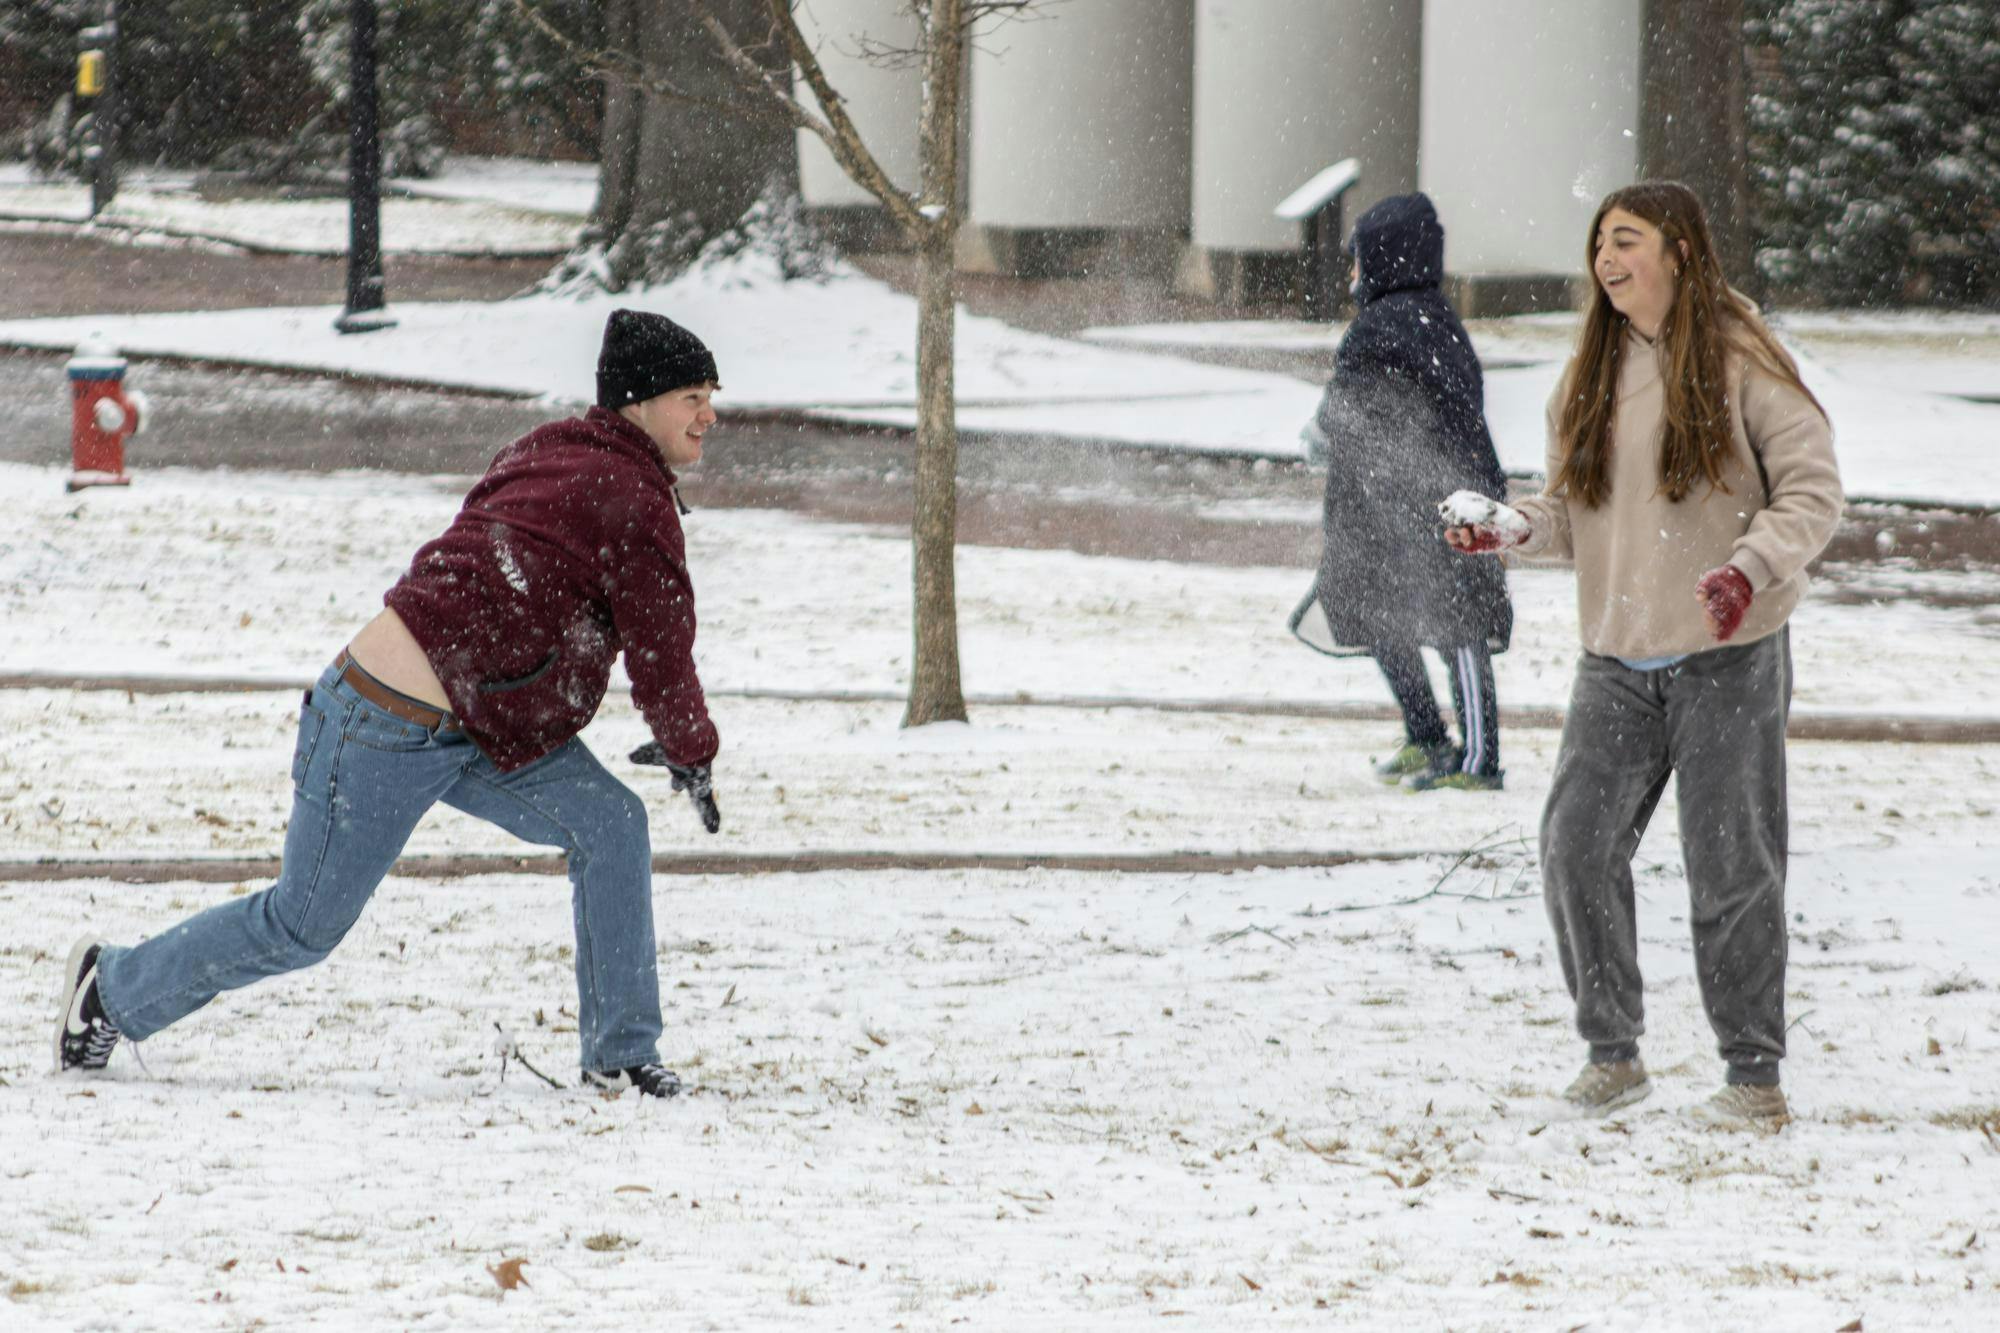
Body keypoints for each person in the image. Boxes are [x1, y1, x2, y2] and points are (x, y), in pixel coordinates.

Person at [54, 309, 727, 1099]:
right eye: (692, 395)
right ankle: (112, 989)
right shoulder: (623, 493)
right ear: (637, 402)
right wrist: (691, 747)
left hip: (488, 719)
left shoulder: (553, 450)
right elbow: (659, 644)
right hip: (382, 720)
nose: (709, 414)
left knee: (611, 823)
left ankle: (619, 1054)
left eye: (712, 394)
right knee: (300, 927)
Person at [1443, 181, 1843, 1127]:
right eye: (1599, 246)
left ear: (1679, 252)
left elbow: (1813, 491)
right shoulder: (1589, 371)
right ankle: (1612, 1054)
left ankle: (1753, 1077)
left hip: (1727, 654)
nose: (1607, 261)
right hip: (1616, 658)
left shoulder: (1745, 357)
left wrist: (1748, 568)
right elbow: (1572, 517)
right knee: (1574, 845)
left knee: (1730, 869)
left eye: (1626, 241)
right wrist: (1509, 527)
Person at [1289, 192, 1513, 792]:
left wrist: (1321, 434)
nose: (1352, 273)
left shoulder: (1388, 323)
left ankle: (1475, 761)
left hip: (1426, 498)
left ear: (1385, 259)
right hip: (1403, 499)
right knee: (1392, 611)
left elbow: (1351, 404)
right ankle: (1430, 739)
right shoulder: (1431, 319)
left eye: (1358, 259)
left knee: (1451, 623)